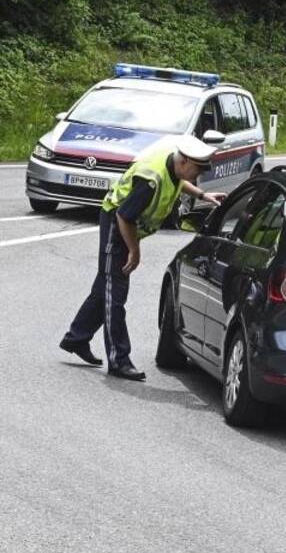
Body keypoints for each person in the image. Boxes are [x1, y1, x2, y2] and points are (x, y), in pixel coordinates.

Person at [59, 135, 226, 381]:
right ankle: (119, 360)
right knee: (115, 295)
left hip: (126, 227)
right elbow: (124, 217)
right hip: (117, 227)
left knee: (104, 288)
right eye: (197, 170)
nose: (197, 176)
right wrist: (134, 251)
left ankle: (77, 338)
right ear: (184, 162)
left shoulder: (174, 166)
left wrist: (202, 195)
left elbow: (179, 182)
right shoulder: (151, 180)